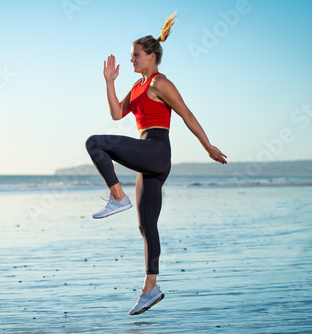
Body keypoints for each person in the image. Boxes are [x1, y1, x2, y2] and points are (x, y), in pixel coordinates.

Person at [85, 11, 227, 316]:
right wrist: (109, 82)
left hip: (157, 149)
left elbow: (186, 114)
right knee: (146, 224)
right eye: (131, 56)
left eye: (136, 55)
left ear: (151, 56)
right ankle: (151, 288)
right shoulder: (136, 87)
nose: (132, 60)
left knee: (95, 142)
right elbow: (115, 113)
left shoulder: (161, 82)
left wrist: (207, 146)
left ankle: (116, 196)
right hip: (148, 157)